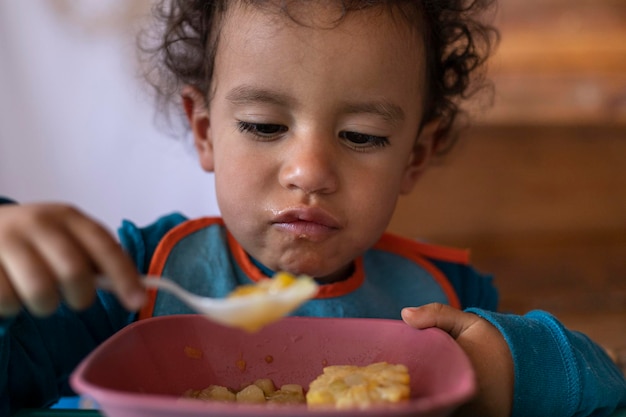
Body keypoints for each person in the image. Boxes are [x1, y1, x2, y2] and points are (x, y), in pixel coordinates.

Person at [0, 1, 624, 416]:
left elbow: (607, 387)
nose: (310, 172)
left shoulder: (445, 299)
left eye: (362, 137)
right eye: (264, 125)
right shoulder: (133, 276)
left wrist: (509, 365)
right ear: (205, 131)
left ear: (415, 155)